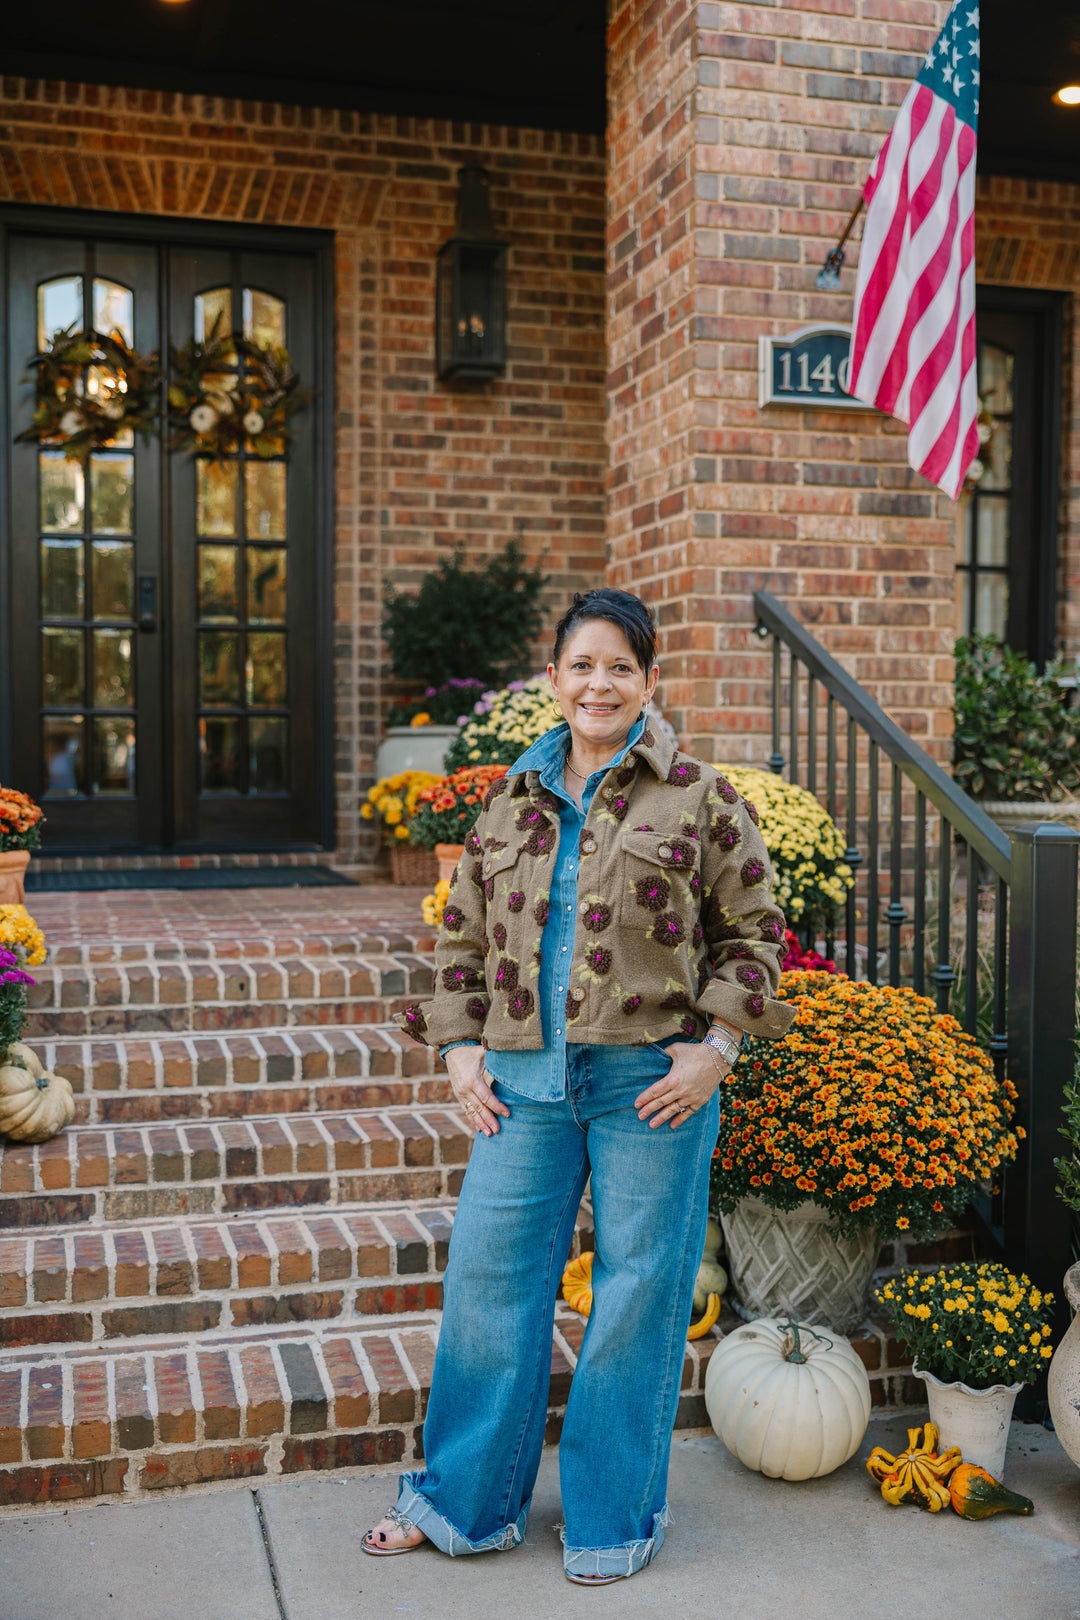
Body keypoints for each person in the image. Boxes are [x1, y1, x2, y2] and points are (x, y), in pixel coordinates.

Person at [364, 587, 793, 1584]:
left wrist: (716, 1049)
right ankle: (465, 1504)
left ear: (650, 682)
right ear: (553, 680)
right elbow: (461, 935)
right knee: (488, 1287)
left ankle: (610, 1515)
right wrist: (459, 1052)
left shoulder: (700, 795)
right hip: (521, 1080)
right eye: (582, 665)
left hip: (654, 1082)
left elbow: (757, 933)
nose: (600, 683)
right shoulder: (508, 801)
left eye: (621, 667)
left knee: (637, 1300)